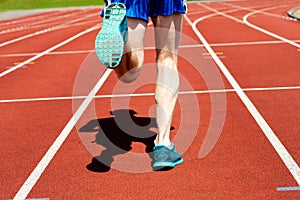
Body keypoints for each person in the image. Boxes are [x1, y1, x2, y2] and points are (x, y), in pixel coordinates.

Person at [95, 0, 186, 170]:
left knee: (130, 74)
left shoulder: (102, 122)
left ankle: (120, 41)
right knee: (168, 59)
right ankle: (163, 145)